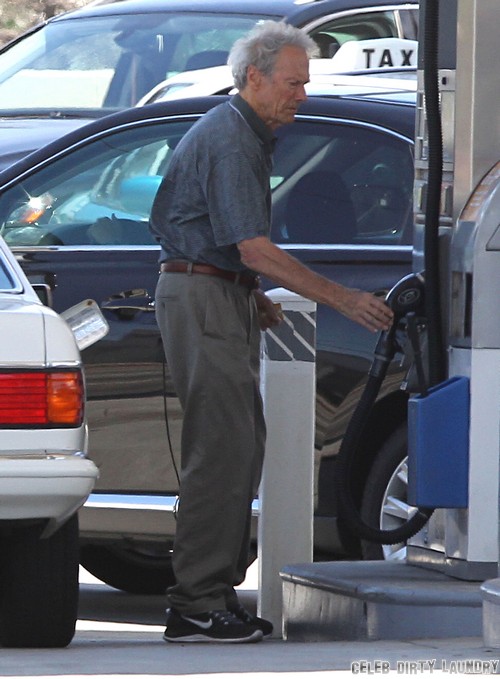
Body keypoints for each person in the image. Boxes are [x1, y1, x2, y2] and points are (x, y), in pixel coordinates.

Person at [149, 20, 394, 645]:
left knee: (237, 446)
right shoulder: (232, 137)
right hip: (202, 296)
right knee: (222, 452)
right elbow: (252, 246)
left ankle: (208, 597)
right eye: (292, 83)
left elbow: (213, 235)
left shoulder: (240, 132)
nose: (301, 95)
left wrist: (247, 292)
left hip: (217, 291)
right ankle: (198, 604)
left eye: (304, 84)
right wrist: (343, 299)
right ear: (254, 77)